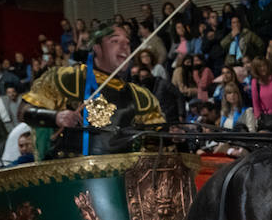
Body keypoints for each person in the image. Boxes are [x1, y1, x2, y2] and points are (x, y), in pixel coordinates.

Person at [18, 24, 164, 156]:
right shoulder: (66, 77)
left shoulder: (140, 95)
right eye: (115, 41)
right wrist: (56, 117)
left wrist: (174, 135)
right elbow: (23, 111)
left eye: (127, 43)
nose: (124, 47)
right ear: (97, 48)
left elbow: (154, 140)